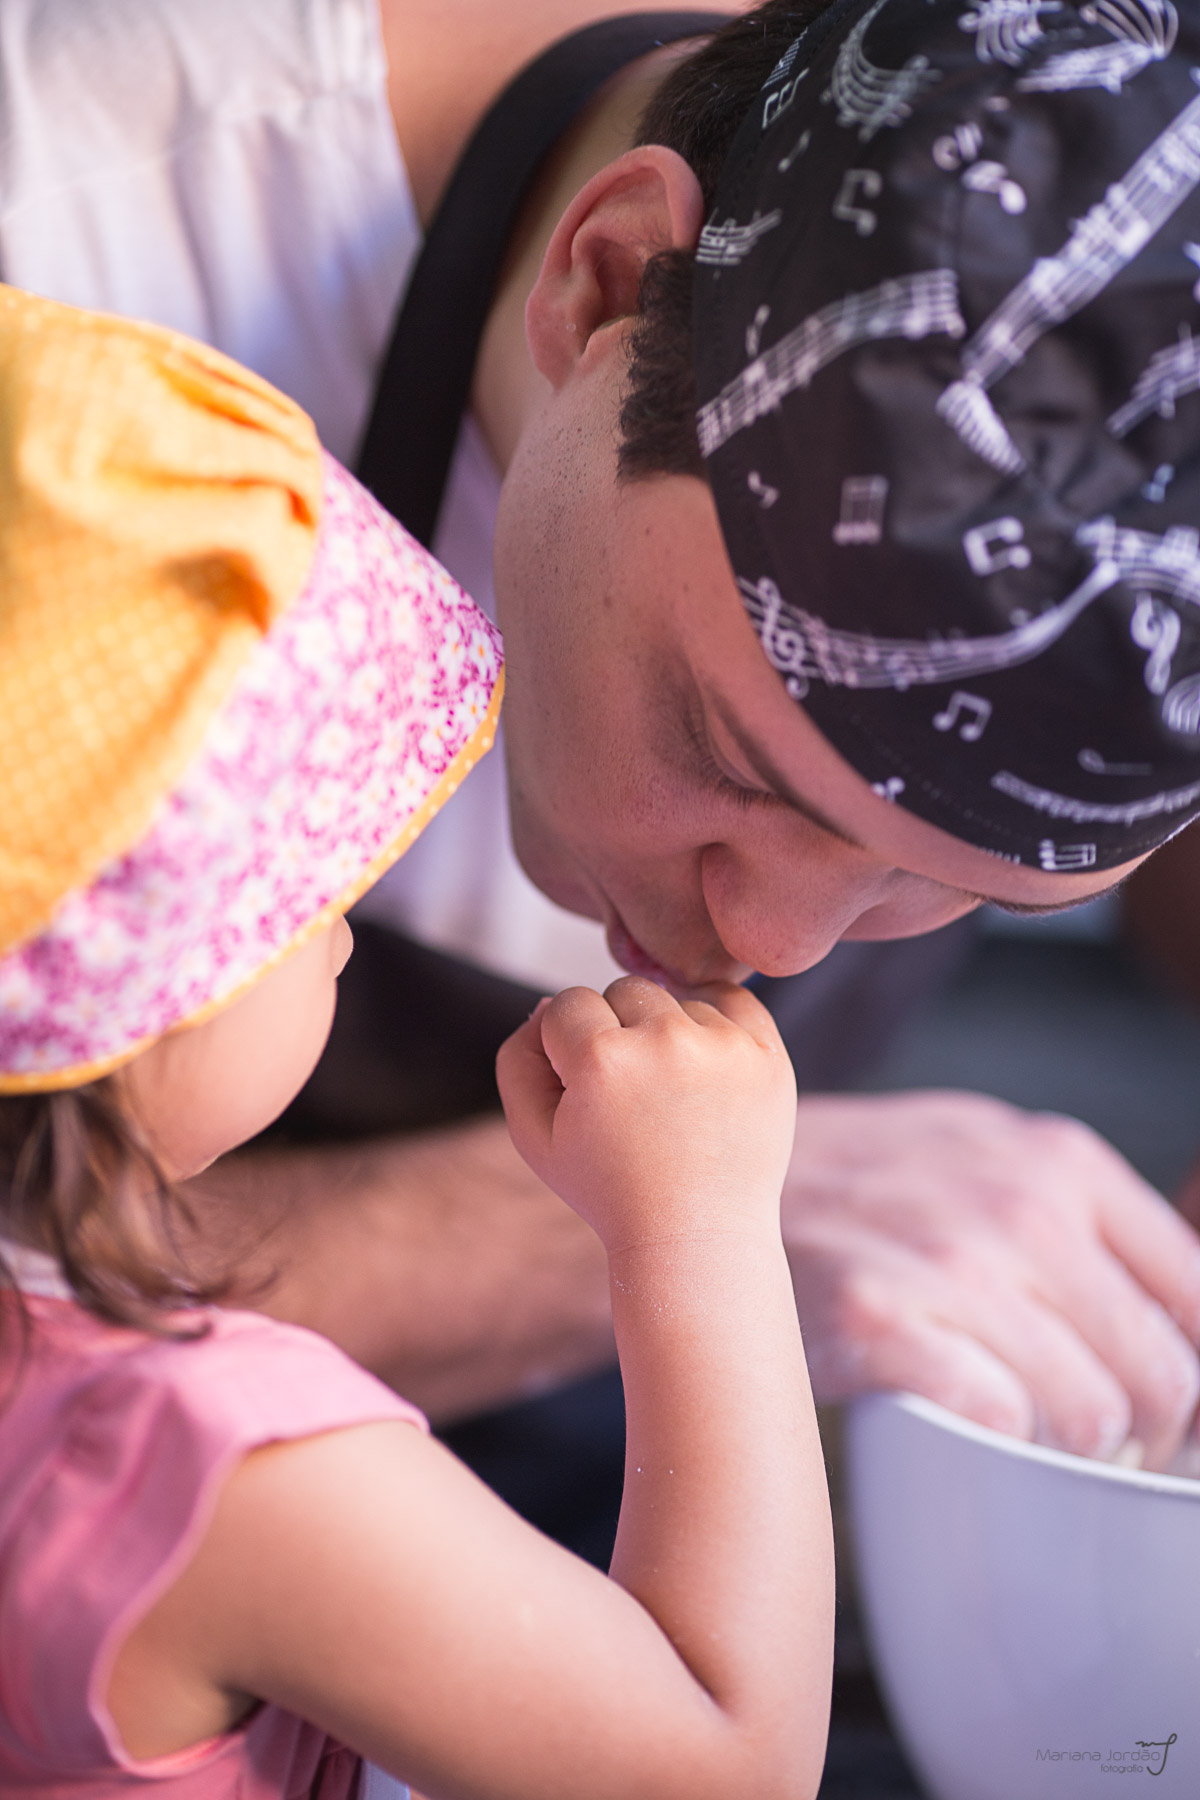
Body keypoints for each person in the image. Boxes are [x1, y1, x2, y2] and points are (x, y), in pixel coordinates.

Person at [4, 0, 1200, 1480]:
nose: (771, 940)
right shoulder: (58, 250)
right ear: (609, 278)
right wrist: (644, 1245)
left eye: (948, 878)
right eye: (728, 754)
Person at [0, 287, 834, 1799]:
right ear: (129, 1012)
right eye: (311, 885)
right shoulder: (211, 1463)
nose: (343, 924)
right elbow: (726, 1764)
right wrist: (703, 1233)